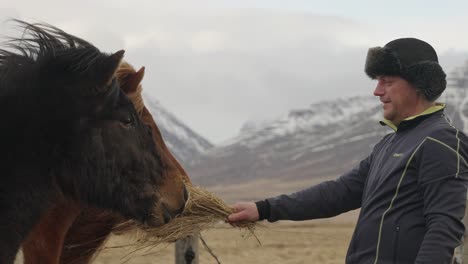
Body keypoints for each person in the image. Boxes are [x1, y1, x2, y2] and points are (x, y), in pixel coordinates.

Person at [228, 38, 468, 264]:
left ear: (419, 83)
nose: (377, 91)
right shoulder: (389, 144)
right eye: (377, 81)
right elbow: (338, 193)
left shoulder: (441, 142)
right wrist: (264, 209)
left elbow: (444, 225)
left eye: (387, 81)